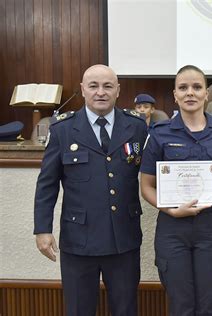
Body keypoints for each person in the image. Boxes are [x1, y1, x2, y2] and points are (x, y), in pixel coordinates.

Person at [34, 64, 148, 316]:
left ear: (118, 90)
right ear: (83, 90)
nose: (101, 92)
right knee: (78, 309)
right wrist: (42, 229)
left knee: (125, 309)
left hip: (123, 239)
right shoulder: (63, 129)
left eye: (108, 86)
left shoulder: (137, 127)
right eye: (93, 86)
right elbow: (47, 183)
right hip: (79, 240)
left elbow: (151, 171)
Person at [140, 65, 212, 316]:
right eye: (183, 88)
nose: (190, 93)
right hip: (172, 230)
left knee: (209, 305)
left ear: (207, 94)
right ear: (174, 94)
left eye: (197, 87)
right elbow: (146, 186)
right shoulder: (159, 134)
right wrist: (173, 211)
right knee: (181, 306)